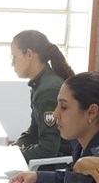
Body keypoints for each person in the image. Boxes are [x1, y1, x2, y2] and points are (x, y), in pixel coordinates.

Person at [8, 71, 99, 183]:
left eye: (64, 107)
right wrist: (37, 177)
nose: (55, 114)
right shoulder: (85, 143)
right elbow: (73, 177)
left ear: (91, 112)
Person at [9, 30, 74, 161]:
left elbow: (48, 149)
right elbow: (34, 131)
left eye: (14, 57)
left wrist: (16, 156)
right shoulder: (40, 83)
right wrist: (16, 146)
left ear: (29, 54)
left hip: (59, 163)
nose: (12, 63)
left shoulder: (48, 89)